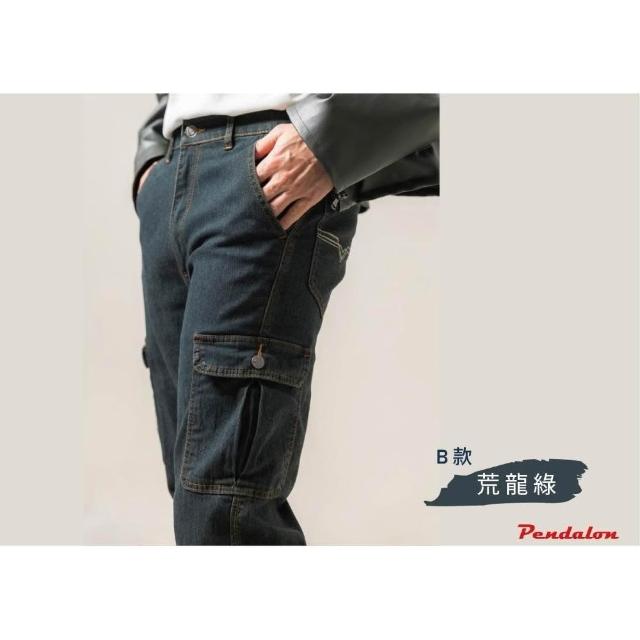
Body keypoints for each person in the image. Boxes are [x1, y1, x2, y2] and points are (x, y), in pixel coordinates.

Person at [133, 93, 439, 544]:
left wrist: (325, 139)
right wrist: (152, 157)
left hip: (265, 169)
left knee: (224, 513)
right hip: (175, 167)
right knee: (194, 499)